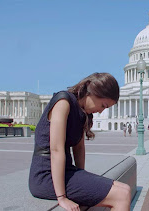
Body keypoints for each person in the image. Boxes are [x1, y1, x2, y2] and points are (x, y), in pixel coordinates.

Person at [29, 73, 131, 211]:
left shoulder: (82, 113)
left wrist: (83, 178)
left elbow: (79, 149)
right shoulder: (63, 102)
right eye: (103, 105)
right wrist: (62, 197)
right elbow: (56, 150)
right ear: (92, 92)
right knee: (121, 195)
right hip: (46, 175)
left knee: (125, 189)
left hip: (66, 172)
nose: (101, 112)